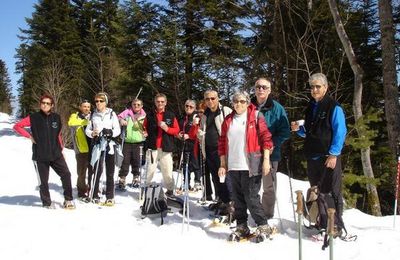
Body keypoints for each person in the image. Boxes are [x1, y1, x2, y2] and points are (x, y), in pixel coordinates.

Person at [291, 72, 347, 231]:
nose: (314, 90)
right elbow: (309, 131)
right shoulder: (311, 106)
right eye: (312, 87)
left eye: (318, 86)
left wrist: (334, 154)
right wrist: (299, 129)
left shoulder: (333, 107)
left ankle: (335, 225)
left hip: (328, 157)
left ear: (325, 87)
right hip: (312, 156)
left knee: (331, 192)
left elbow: (340, 131)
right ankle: (322, 222)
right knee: (317, 191)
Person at [218, 91, 274, 242]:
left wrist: (266, 160)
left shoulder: (255, 116)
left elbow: (266, 138)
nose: (239, 104)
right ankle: (242, 225)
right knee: (237, 198)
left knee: (251, 197)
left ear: (248, 102)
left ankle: (262, 225)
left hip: (251, 164)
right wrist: (223, 164)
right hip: (233, 165)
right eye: (236, 101)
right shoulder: (228, 120)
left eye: (242, 101)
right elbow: (222, 143)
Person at [13, 94, 75, 209]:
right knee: (43, 181)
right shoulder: (33, 117)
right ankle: (47, 202)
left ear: (51, 105)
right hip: (40, 155)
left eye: (48, 103)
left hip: (56, 154)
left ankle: (68, 199)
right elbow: (17, 126)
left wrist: (61, 150)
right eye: (43, 103)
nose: (45, 105)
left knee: (66, 174)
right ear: (40, 104)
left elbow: (58, 135)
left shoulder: (56, 117)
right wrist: (29, 136)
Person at [251, 77, 290, 219]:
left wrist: (272, 143)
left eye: (264, 87)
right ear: (254, 89)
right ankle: (254, 211)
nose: (261, 89)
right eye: (258, 87)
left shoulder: (277, 108)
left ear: (269, 90)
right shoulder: (249, 107)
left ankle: (267, 214)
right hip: (250, 153)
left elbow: (285, 131)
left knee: (269, 186)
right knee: (250, 185)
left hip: (271, 153)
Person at [199, 90, 232, 213]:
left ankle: (230, 204)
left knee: (225, 178)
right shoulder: (205, 114)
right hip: (209, 150)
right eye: (207, 99)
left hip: (222, 151)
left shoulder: (225, 111)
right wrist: (200, 135)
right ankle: (221, 200)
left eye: (213, 98)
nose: (210, 101)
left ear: (218, 98)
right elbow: (203, 131)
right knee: (215, 178)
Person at [85, 92, 121, 206]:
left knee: (109, 172)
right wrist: (92, 133)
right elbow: (87, 130)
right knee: (96, 170)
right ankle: (94, 194)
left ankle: (110, 196)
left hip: (109, 145)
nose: (98, 103)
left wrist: (111, 132)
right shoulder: (93, 115)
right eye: (96, 101)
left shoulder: (111, 114)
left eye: (101, 101)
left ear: (106, 102)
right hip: (97, 145)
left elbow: (118, 130)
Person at [143, 93, 180, 196]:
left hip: (166, 147)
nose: (160, 103)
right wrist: (144, 132)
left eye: (162, 101)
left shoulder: (170, 115)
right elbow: (144, 127)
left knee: (167, 171)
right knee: (150, 170)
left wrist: (167, 129)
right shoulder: (150, 114)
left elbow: (177, 130)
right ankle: (145, 188)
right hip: (152, 147)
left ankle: (170, 190)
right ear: (155, 102)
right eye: (158, 101)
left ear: (166, 103)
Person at [117, 98, 147, 189]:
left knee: (137, 160)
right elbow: (118, 117)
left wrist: (145, 132)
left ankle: (136, 177)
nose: (136, 106)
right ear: (132, 105)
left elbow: (147, 126)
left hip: (138, 142)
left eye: (138, 104)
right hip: (127, 141)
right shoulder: (127, 112)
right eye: (134, 104)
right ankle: (122, 178)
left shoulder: (144, 115)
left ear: (141, 106)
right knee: (125, 161)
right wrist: (121, 121)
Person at [68, 100, 92, 200]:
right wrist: (86, 122)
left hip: (92, 147)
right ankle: (81, 190)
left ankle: (92, 188)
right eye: (84, 106)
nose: (86, 108)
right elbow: (71, 123)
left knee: (93, 170)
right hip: (81, 148)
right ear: (80, 107)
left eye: (88, 107)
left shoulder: (93, 116)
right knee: (81, 172)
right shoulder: (75, 116)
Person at [177, 99, 201, 191]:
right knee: (185, 164)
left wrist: (189, 136)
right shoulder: (182, 117)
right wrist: (178, 134)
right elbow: (178, 128)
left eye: (191, 106)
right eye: (187, 106)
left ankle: (197, 182)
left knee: (195, 163)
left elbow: (198, 130)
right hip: (184, 144)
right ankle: (186, 182)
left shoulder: (196, 116)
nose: (188, 108)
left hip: (194, 144)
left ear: (194, 108)